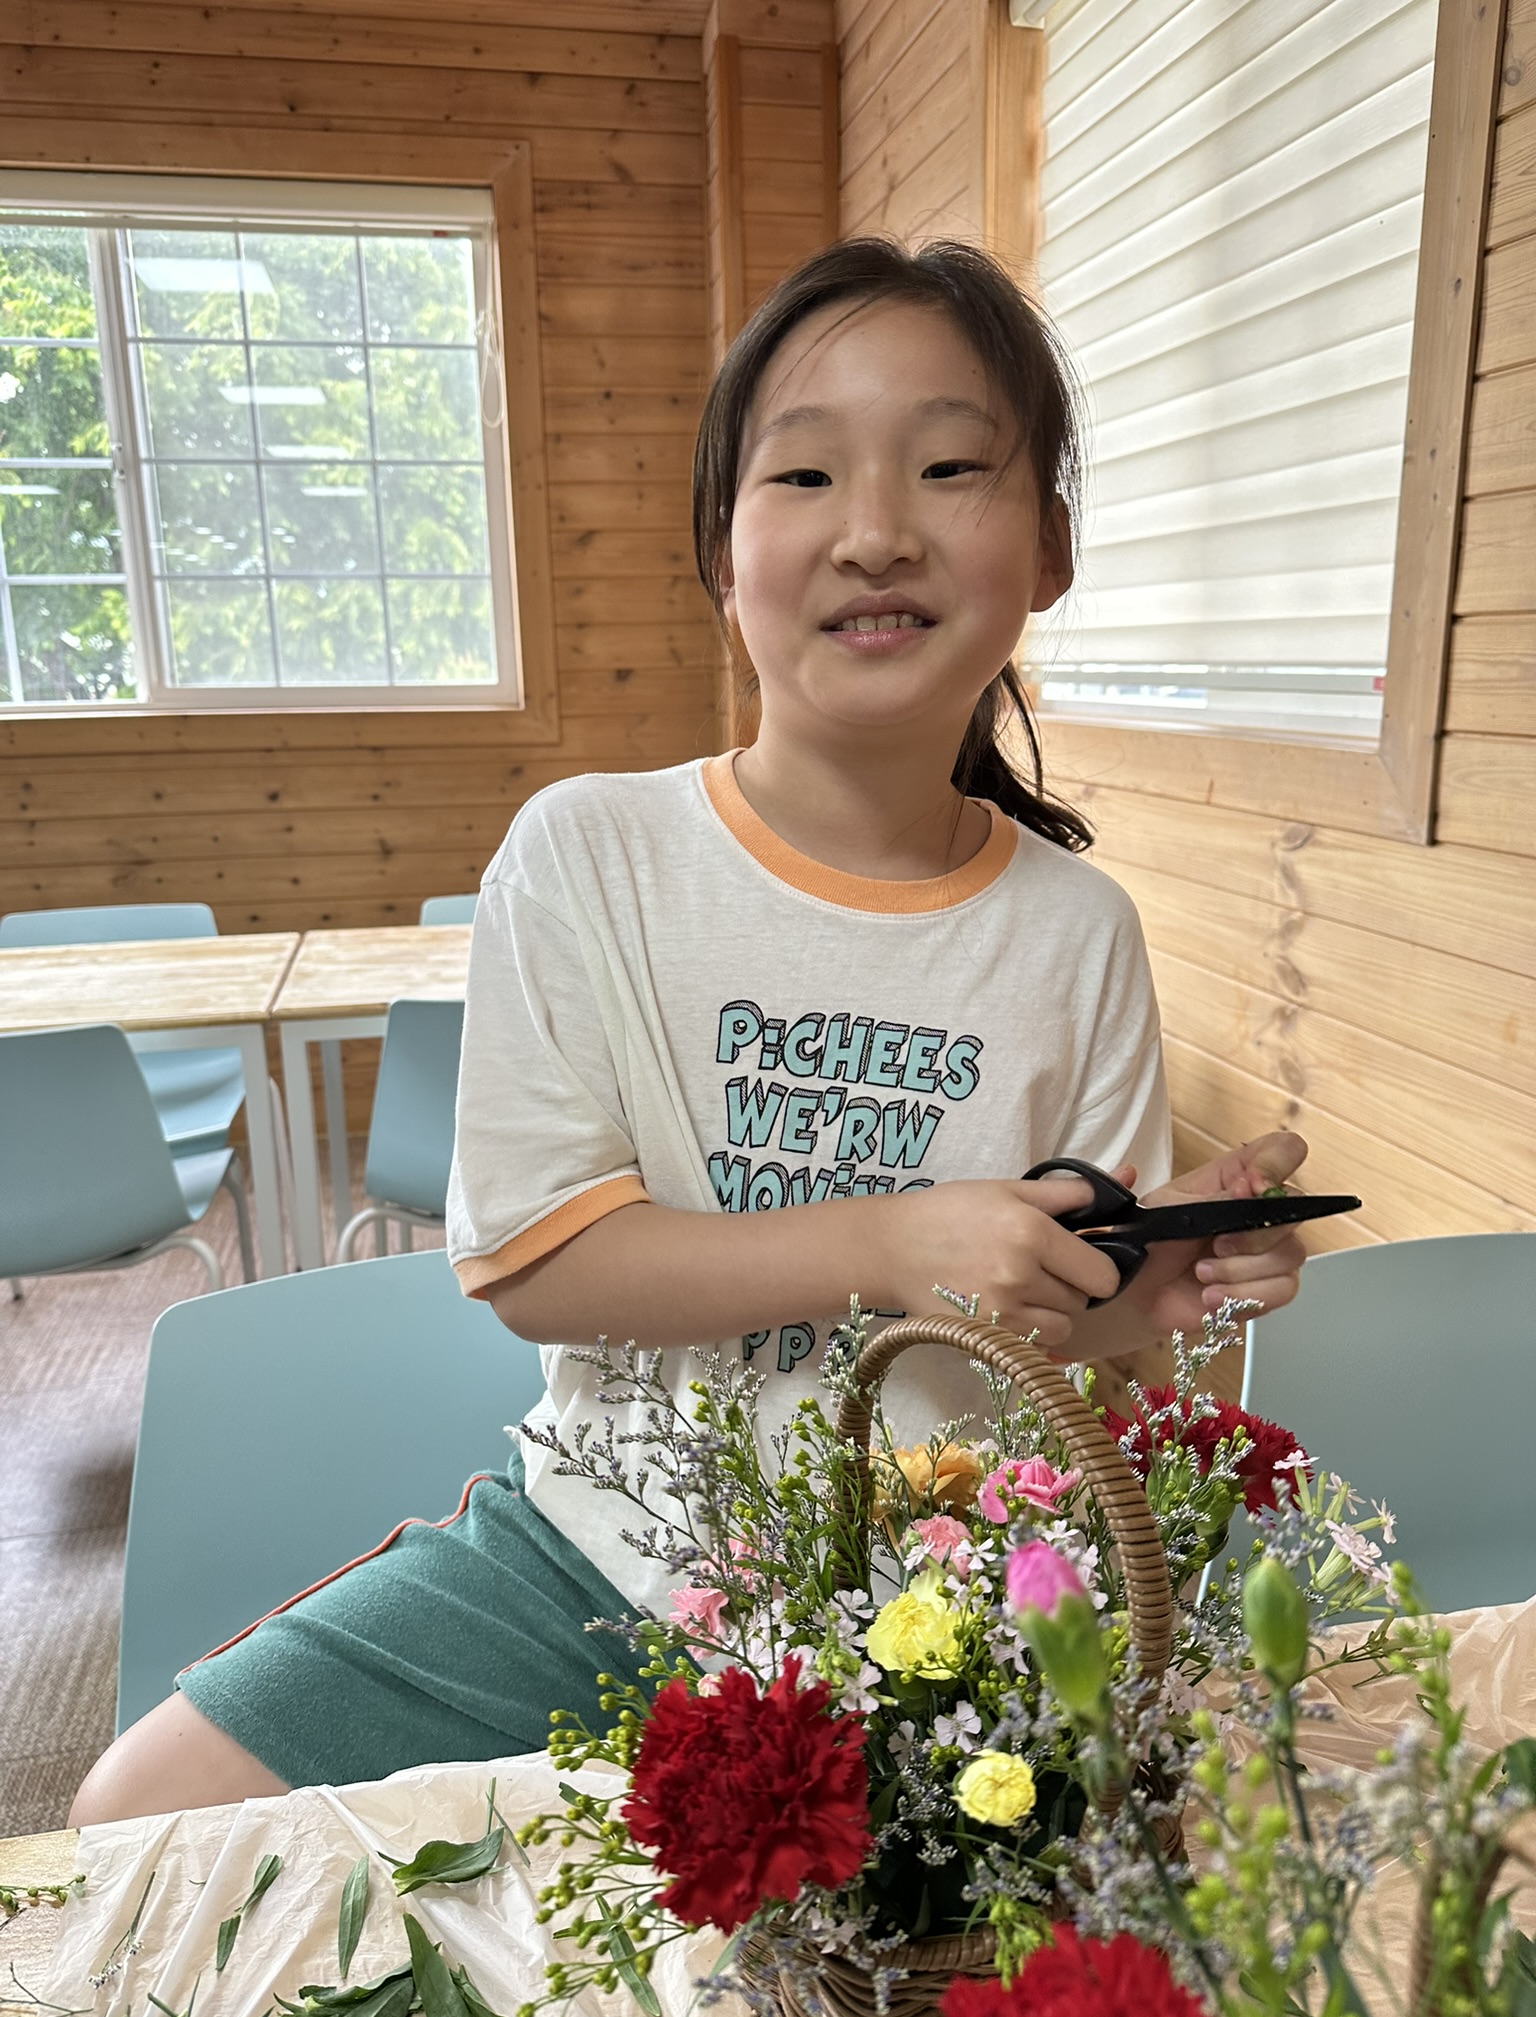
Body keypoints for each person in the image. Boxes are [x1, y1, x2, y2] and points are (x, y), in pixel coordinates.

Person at [72, 239, 1309, 1825]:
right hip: (591, 1561)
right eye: (805, 473)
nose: (876, 530)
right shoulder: (591, 854)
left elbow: (1038, 1322)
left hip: (936, 1605)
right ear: (724, 553)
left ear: (1049, 549)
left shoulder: (1078, 931)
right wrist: (888, 1242)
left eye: (949, 467)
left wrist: (1151, 1286)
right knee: (131, 1820)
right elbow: (531, 1261)